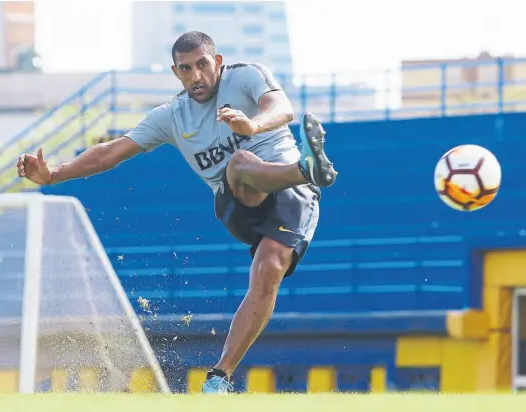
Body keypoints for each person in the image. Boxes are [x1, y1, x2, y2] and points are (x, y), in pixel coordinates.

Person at [17, 31, 337, 394]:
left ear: (217, 62)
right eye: (186, 69)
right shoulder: (172, 116)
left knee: (269, 270)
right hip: (237, 199)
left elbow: (283, 109)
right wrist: (54, 173)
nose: (196, 76)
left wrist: (253, 124)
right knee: (240, 161)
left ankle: (219, 377)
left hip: (289, 193)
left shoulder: (246, 76)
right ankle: (308, 171)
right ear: (176, 72)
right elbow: (112, 150)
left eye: (202, 65)